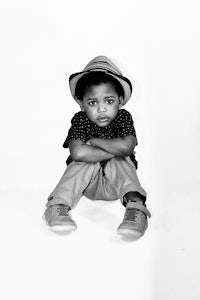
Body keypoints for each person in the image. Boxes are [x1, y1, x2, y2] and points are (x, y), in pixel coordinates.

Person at [43, 55, 151, 239]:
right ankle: (57, 205)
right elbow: (77, 151)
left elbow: (126, 147)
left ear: (120, 100)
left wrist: (93, 142)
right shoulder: (80, 120)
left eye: (109, 101)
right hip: (87, 185)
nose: (101, 109)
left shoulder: (124, 117)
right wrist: (112, 148)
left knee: (121, 159)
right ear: (82, 104)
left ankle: (135, 208)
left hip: (118, 187)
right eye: (93, 103)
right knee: (83, 161)